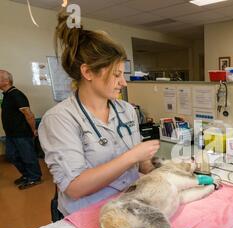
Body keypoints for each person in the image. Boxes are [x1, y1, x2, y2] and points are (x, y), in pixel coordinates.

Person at [38, 11, 159, 216]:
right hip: (87, 215)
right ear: (87, 73)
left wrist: (163, 170)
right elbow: (75, 187)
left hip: (128, 206)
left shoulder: (126, 111)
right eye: (116, 74)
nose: (124, 82)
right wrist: (131, 157)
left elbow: (141, 163)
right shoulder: (60, 119)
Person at [0, 70, 43, 189]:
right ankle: (27, 175)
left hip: (21, 133)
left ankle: (34, 177)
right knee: (12, 155)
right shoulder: (7, 95)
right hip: (11, 134)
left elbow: (29, 114)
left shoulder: (16, 94)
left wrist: (33, 130)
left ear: (6, 81)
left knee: (28, 156)